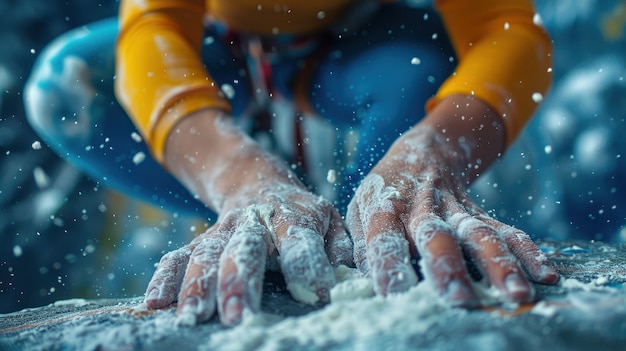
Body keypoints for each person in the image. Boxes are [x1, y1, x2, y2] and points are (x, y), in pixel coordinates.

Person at [24, 0, 560, 326]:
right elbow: (153, 29)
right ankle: (273, 219)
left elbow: (504, 30)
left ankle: (367, 224)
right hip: (224, 53)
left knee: (418, 73)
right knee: (70, 88)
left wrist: (431, 154)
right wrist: (240, 179)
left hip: (361, 49)